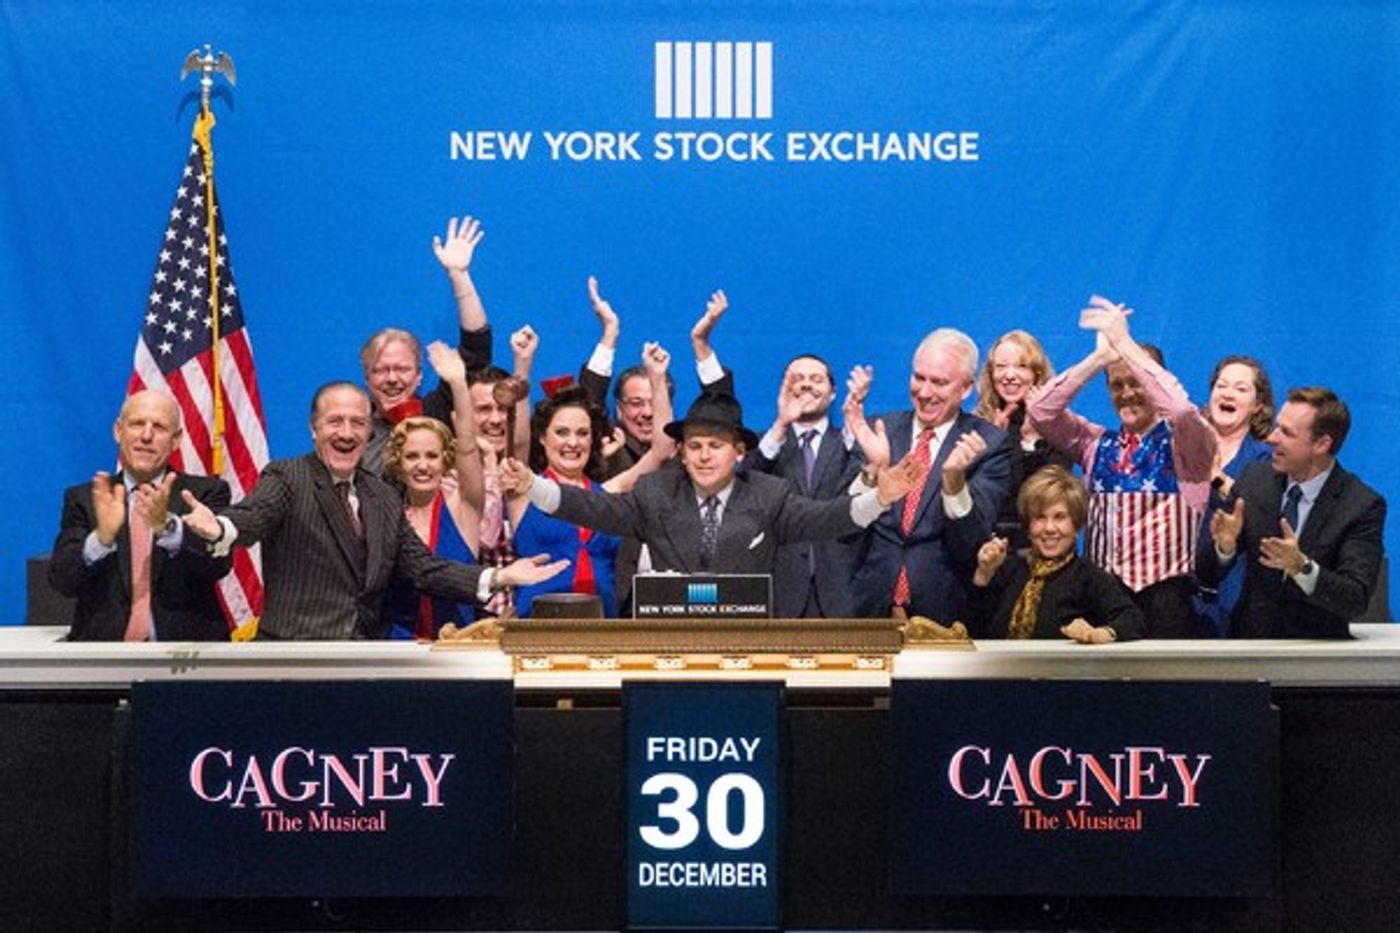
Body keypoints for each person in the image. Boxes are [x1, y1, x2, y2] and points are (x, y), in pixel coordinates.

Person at [178, 382, 568, 639]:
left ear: (369, 433)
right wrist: (222, 528)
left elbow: (422, 567)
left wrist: (500, 576)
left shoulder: (381, 495)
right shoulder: (288, 476)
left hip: (362, 657)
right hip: (297, 658)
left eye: (358, 423)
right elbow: (255, 514)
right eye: (335, 422)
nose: (346, 433)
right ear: (314, 429)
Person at [499, 392, 921, 578]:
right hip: (668, 649)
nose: (703, 456)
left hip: (747, 649)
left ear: (738, 452)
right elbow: (590, 507)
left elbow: (828, 519)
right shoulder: (654, 494)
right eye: (694, 446)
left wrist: (881, 497)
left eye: (715, 446)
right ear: (681, 453)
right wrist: (532, 485)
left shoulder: (769, 495)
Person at [1027, 296, 1216, 638]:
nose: (1127, 393)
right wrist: (1100, 358)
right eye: (1117, 384)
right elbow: (1040, 410)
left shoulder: (1187, 445)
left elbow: (1181, 410)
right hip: (1102, 598)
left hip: (1166, 603)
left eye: (1136, 382)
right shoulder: (1094, 443)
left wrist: (1126, 345)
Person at [845, 328, 1011, 622]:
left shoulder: (988, 443)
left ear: (966, 388)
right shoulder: (879, 430)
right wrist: (872, 470)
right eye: (919, 378)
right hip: (868, 606)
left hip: (945, 611)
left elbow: (972, 541)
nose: (924, 392)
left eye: (939, 382)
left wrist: (954, 484)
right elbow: (845, 523)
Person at [1200, 387, 1385, 639]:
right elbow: (1206, 574)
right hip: (1250, 646)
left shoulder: (1360, 505)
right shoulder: (1254, 479)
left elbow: (1355, 600)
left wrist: (1301, 567)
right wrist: (1224, 548)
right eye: (1278, 427)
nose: (1272, 438)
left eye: (1287, 433)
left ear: (1322, 444)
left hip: (1317, 652)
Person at [508, 342, 677, 617]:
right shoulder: (523, 490)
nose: (573, 443)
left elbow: (662, 449)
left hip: (602, 625)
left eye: (583, 433)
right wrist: (522, 365)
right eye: (562, 432)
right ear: (542, 438)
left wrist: (657, 378)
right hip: (538, 625)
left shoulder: (608, 493)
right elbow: (517, 441)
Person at [48, 390, 232, 641]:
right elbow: (62, 581)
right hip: (105, 653)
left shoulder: (204, 494)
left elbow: (218, 565)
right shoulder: (85, 499)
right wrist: (101, 539)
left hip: (184, 653)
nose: (146, 436)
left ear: (176, 440)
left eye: (159, 427)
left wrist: (168, 529)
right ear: (118, 431)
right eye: (136, 424)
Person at [359, 214, 494, 474]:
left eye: (402, 368)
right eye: (381, 370)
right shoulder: (354, 429)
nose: (392, 378)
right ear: (367, 378)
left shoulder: (436, 412)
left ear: (419, 375)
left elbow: (476, 351)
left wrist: (459, 276)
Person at [378, 343, 490, 638]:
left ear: (445, 460)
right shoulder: (388, 515)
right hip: (398, 649)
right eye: (412, 456)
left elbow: (467, 447)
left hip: (457, 647)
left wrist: (459, 385)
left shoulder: (464, 507)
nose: (422, 465)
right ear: (398, 462)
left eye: (431, 456)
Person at [742, 354, 864, 617]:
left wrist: (855, 427)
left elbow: (864, 493)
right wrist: (781, 424)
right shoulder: (766, 444)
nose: (807, 384)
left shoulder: (850, 445)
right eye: (798, 379)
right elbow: (743, 491)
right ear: (784, 390)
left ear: (833, 393)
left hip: (841, 592)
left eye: (816, 379)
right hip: (778, 592)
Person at [968, 466, 1144, 642]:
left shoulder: (1088, 576)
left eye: (1059, 517)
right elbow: (973, 629)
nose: (1049, 528)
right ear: (1028, 527)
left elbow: (1133, 619)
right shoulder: (1009, 570)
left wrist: (1098, 634)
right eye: (1040, 517)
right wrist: (984, 573)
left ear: (1076, 525)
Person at [1194, 355, 1276, 635]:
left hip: (1234, 596)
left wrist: (1217, 477)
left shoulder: (1265, 459)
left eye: (1241, 389)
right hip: (1181, 595)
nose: (1228, 394)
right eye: (1221, 385)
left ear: (1258, 405)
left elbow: (1263, 515)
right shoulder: (1184, 446)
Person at [973, 330, 1074, 549]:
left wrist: (1030, 440)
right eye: (1001, 366)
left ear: (1037, 374)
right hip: (988, 547)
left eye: (1021, 366)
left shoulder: (1058, 424)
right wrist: (993, 445)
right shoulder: (978, 424)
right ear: (990, 374)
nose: (1009, 375)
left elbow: (1050, 497)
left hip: (1041, 547)